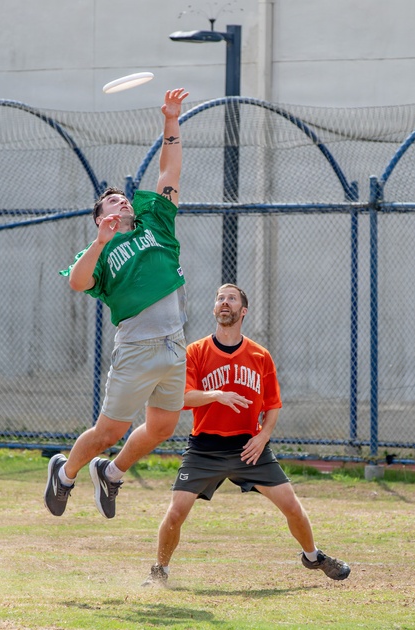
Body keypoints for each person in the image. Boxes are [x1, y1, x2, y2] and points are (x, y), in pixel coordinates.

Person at [142, 283, 351, 586]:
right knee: (176, 513)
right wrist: (216, 395)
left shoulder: (260, 355)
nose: (224, 302)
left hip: (248, 447)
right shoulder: (196, 352)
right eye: (220, 298)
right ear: (215, 309)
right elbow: (182, 398)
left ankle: (312, 556)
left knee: (292, 507)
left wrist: (264, 436)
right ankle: (159, 571)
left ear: (243, 311)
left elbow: (274, 404)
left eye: (231, 298)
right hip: (205, 447)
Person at [44, 87, 190, 520]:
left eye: (122, 198)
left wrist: (170, 120)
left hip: (175, 343)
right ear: (98, 217)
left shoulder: (156, 222)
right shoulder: (100, 250)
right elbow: (77, 282)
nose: (122, 200)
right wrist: (101, 240)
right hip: (138, 347)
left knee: (163, 426)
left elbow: (171, 170)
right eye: (111, 201)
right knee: (109, 430)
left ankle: (110, 473)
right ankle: (65, 473)